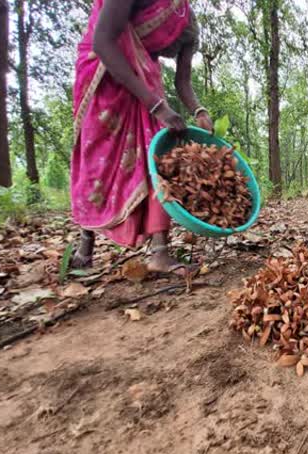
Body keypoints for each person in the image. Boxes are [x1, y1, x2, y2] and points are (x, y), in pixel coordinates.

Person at [69, 0, 213, 275]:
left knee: (156, 157)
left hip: (144, 80)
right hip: (104, 74)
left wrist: (199, 110)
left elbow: (183, 82)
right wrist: (157, 106)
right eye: (162, 46)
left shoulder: (187, 24)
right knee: (97, 165)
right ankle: (84, 246)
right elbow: (103, 42)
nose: (162, 50)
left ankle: (159, 252)